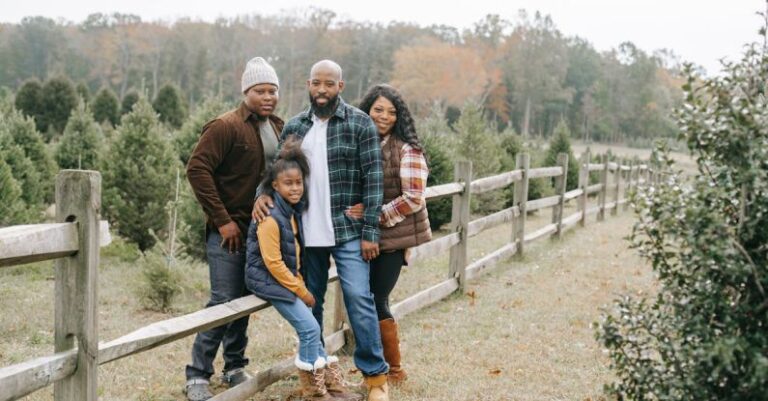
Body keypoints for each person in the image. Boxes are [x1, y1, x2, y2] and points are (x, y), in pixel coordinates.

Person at [253, 60, 390, 401]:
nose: (322, 90)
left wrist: (370, 229)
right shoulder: (296, 126)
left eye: (330, 84)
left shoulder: (359, 124)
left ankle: (376, 379)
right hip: (305, 234)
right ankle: (314, 379)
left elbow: (374, 179)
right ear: (308, 84)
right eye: (317, 83)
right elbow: (277, 172)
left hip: (347, 231)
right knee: (310, 302)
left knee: (359, 298)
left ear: (340, 87)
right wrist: (261, 196)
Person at [184, 56, 283, 401]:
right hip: (229, 231)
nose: (268, 97)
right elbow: (197, 170)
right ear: (246, 92)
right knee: (223, 300)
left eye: (273, 90)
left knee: (245, 299)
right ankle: (197, 374)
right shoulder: (224, 126)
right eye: (260, 90)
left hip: (261, 232)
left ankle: (235, 367)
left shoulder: (278, 127)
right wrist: (223, 220)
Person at [245, 140, 342, 400]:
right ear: (275, 186)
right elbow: (273, 263)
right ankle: (313, 391)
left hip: (286, 279)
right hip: (268, 280)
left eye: (299, 182)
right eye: (288, 183)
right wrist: (301, 290)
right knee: (310, 330)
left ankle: (329, 384)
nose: (296, 188)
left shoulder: (293, 210)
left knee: (313, 328)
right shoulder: (269, 216)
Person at [349, 84, 432, 385]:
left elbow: (413, 198)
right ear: (366, 110)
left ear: (399, 118)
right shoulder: (360, 142)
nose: (384, 117)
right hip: (363, 236)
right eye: (378, 109)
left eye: (391, 112)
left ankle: (392, 369)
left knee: (376, 298)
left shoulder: (406, 150)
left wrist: (374, 216)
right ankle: (374, 365)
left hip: (392, 238)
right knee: (361, 298)